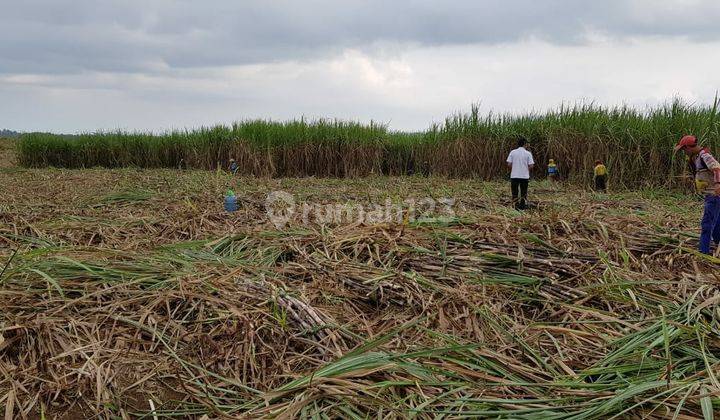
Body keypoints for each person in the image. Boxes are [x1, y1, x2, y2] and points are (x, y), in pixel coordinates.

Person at [674, 135, 720, 255]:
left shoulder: (705, 155)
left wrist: (718, 184)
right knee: (716, 223)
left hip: (713, 194)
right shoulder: (697, 157)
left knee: (707, 223)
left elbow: (717, 169)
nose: (684, 152)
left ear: (689, 147)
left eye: (684, 149)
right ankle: (717, 245)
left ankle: (703, 252)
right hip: (711, 195)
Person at [506, 137, 534, 209]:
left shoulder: (513, 152)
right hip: (524, 176)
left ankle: (515, 206)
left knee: (514, 192)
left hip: (514, 176)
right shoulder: (528, 153)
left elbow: (509, 164)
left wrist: (515, 169)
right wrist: (525, 170)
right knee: (523, 192)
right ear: (525, 144)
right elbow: (531, 165)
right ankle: (522, 206)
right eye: (527, 143)